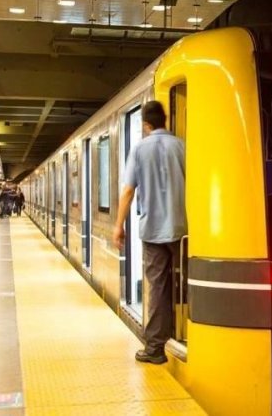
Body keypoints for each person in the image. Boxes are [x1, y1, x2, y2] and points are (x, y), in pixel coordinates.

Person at [113, 101, 187, 365]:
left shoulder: (139, 149)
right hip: (183, 230)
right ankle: (196, 336)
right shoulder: (181, 146)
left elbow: (128, 191)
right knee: (188, 283)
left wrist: (118, 225)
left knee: (157, 286)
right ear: (164, 120)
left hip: (153, 231)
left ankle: (155, 349)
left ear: (146, 124)